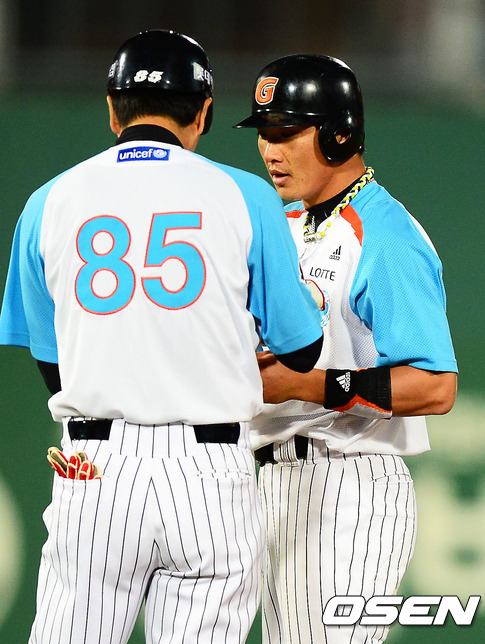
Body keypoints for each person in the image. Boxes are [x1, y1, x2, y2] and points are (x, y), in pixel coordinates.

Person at [0, 31, 324, 644]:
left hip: (95, 465)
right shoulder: (246, 196)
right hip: (210, 470)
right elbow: (303, 350)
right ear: (203, 113)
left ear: (112, 109)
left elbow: (53, 365)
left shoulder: (48, 201)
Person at [234, 54, 457, 644]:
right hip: (269, 481)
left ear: (338, 134)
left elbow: (435, 387)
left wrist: (305, 384)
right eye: (263, 133)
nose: (270, 150)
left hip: (348, 484)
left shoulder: (386, 234)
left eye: (286, 131)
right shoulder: (283, 226)